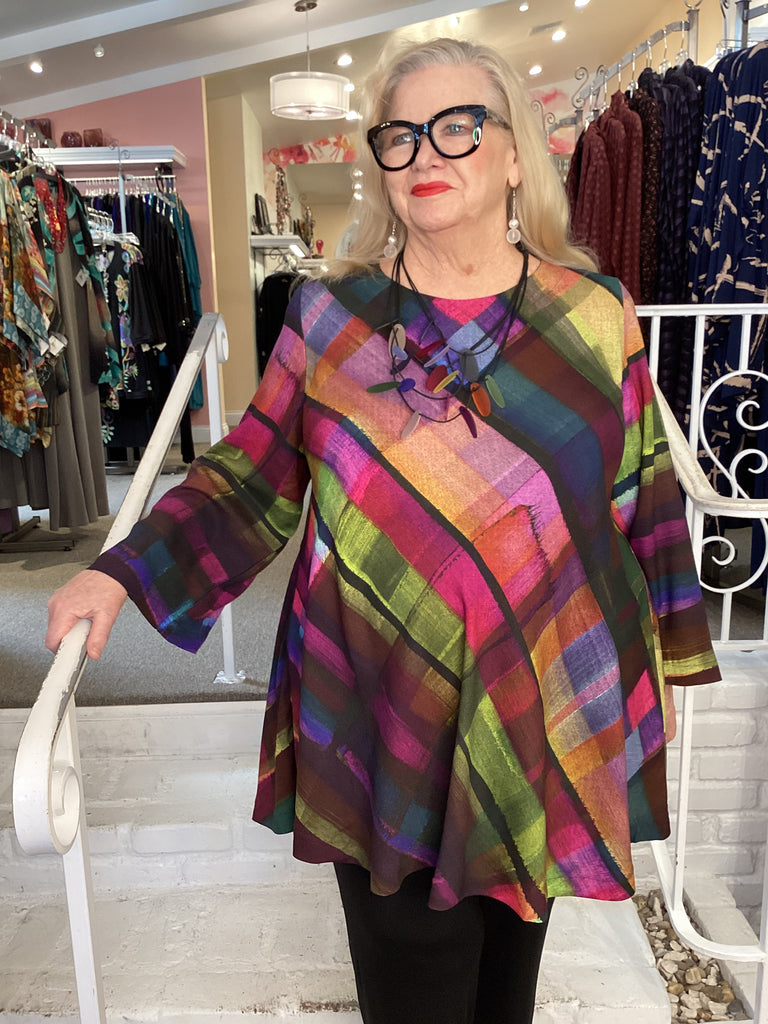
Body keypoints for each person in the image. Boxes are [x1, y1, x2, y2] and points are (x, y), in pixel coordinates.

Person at [47, 37, 720, 1024]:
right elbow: (253, 469)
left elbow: (642, 496)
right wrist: (122, 571)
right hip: (377, 702)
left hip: (534, 701)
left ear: (516, 156)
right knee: (412, 983)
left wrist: (660, 666)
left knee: (507, 985)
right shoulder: (329, 316)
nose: (425, 153)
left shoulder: (594, 316)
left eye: (457, 126)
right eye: (400, 136)